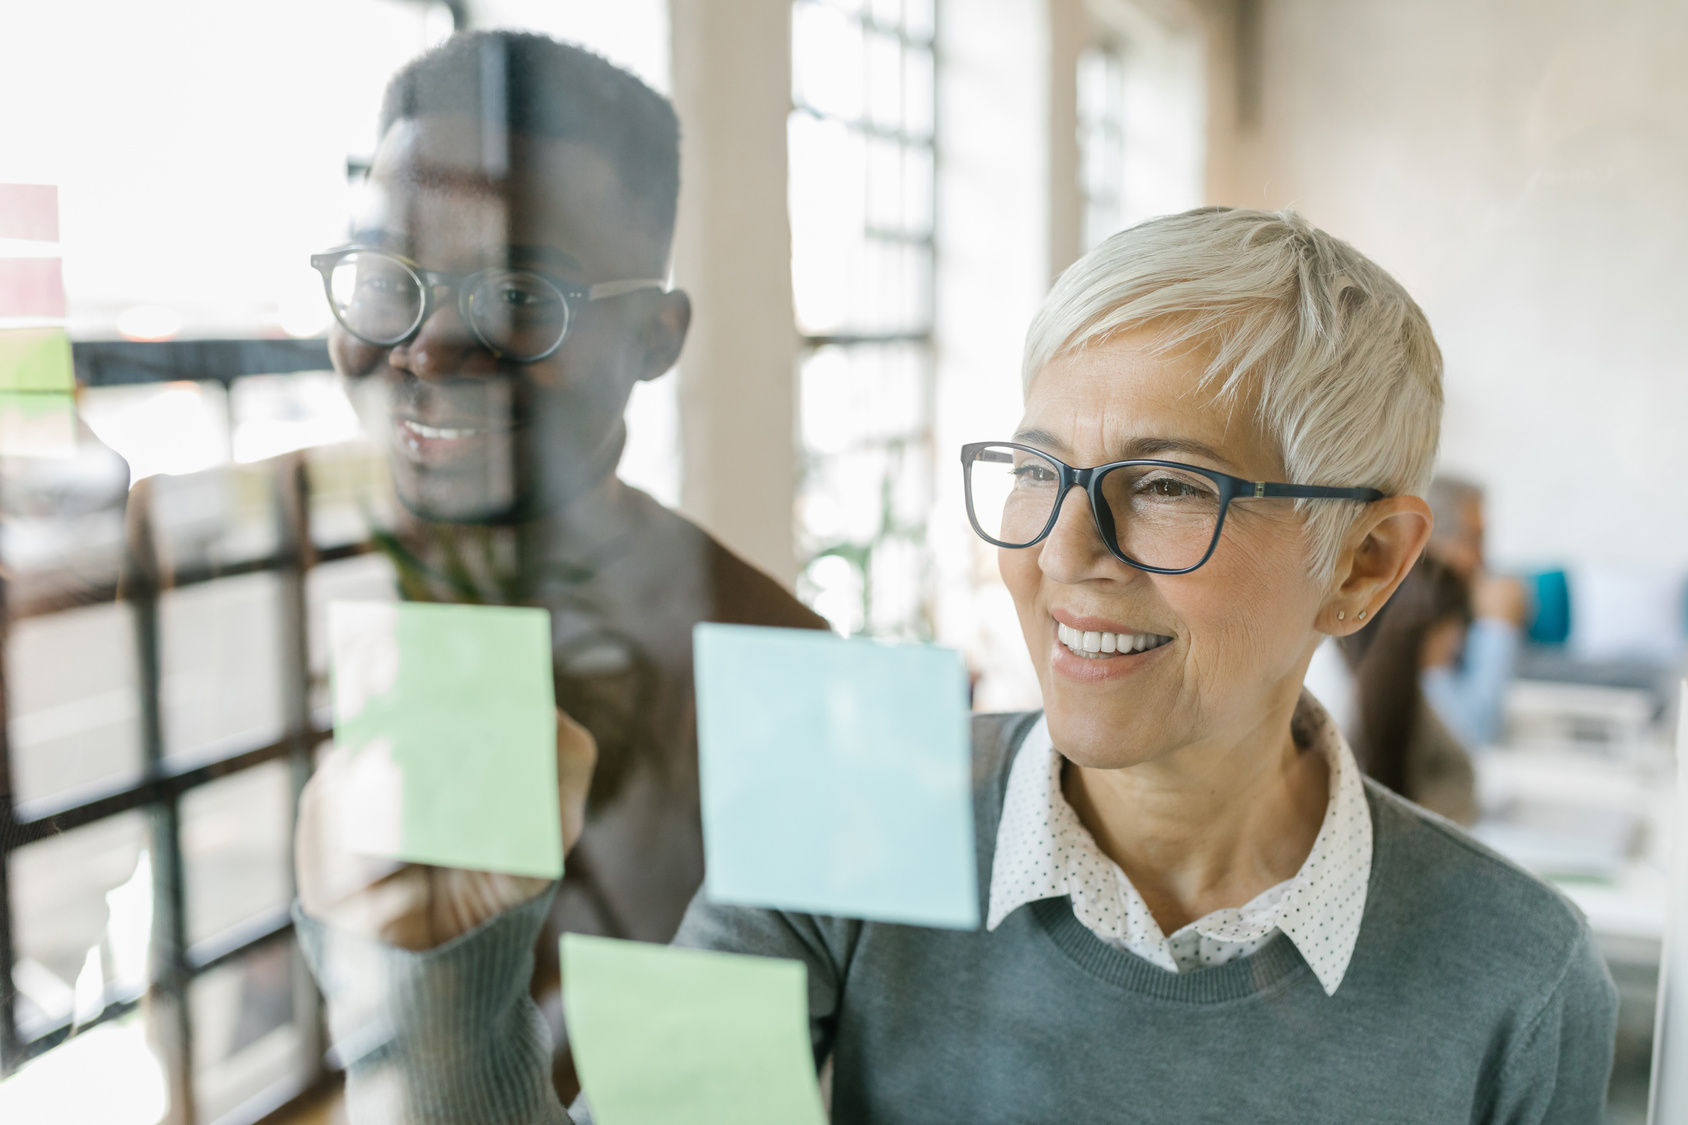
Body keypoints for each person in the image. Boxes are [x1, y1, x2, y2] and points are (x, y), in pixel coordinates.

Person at [296, 207, 1617, 1122]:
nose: (1067, 551)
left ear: (1367, 563)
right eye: (1038, 472)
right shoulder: (848, 791)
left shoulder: (1518, 974)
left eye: (1165, 485)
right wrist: (443, 976)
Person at [302, 26, 826, 1093]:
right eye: (384, 276)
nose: (426, 345)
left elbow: (711, 1106)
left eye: (520, 298)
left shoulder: (777, 677)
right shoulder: (267, 594)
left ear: (654, 340)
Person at [1337, 554, 1479, 825]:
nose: (1457, 642)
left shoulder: (1410, 692)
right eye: (1455, 627)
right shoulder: (1371, 696)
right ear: (1430, 626)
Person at [1420, 475, 1529, 746]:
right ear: (1430, 541)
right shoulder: (1420, 615)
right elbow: (1470, 734)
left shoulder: (1455, 612)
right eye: (1473, 540)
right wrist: (1498, 628)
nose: (1482, 560)